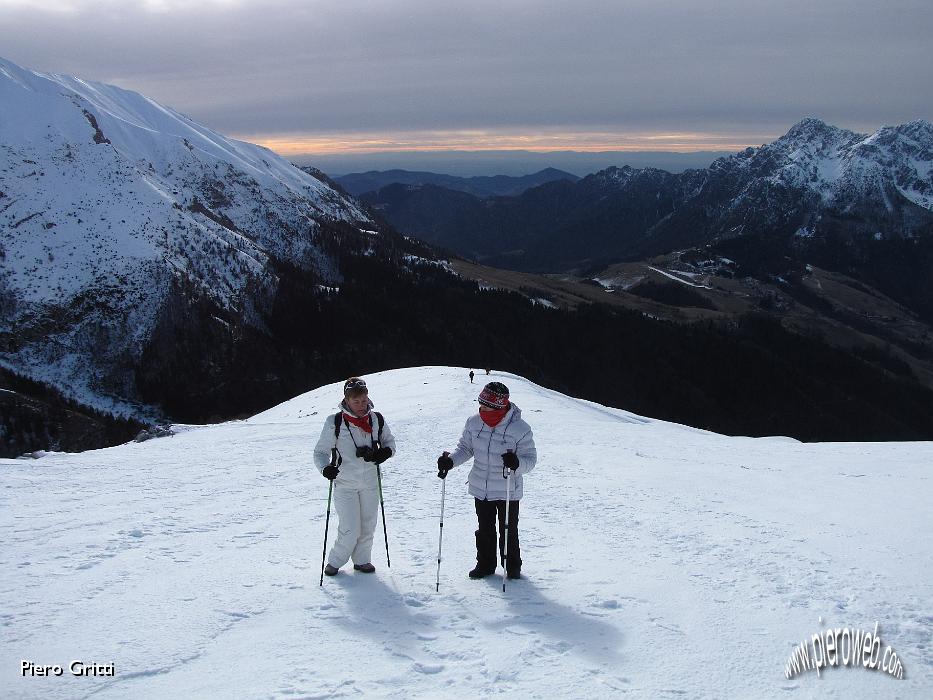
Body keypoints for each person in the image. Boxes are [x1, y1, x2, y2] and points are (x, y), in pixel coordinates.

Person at [436, 381, 537, 580]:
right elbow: (466, 448)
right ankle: (485, 564)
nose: (482, 408)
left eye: (487, 405)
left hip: (508, 488)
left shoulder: (520, 428)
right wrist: (450, 462)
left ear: (500, 406)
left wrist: (516, 463)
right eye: (481, 403)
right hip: (480, 486)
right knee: (485, 529)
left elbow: (530, 460)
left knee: (508, 530)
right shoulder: (474, 422)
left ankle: (512, 567)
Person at [315, 377, 396, 576]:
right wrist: (325, 469)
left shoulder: (376, 420)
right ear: (347, 401)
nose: (361, 405)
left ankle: (362, 560)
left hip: (370, 481)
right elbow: (320, 452)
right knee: (350, 528)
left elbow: (390, 444)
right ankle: (335, 561)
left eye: (363, 400)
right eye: (356, 401)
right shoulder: (335, 422)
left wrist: (383, 453)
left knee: (368, 525)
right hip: (345, 483)